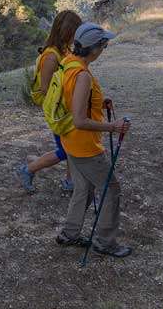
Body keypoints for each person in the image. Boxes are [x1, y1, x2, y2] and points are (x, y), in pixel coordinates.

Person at [55, 22, 133, 258]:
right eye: (104, 45)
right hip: (84, 145)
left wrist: (98, 102)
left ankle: (69, 234)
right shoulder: (83, 76)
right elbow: (79, 119)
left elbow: (74, 102)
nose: (104, 49)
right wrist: (112, 126)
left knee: (84, 189)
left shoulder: (69, 63)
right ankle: (104, 242)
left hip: (69, 140)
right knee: (111, 189)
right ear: (94, 48)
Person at [16, 10, 82, 193]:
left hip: (64, 109)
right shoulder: (52, 56)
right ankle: (28, 169)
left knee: (70, 148)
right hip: (56, 112)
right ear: (67, 31)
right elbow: (46, 89)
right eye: (75, 31)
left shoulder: (64, 51)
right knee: (65, 150)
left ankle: (70, 182)